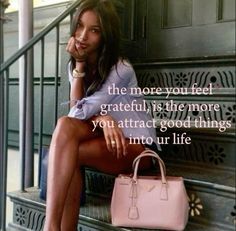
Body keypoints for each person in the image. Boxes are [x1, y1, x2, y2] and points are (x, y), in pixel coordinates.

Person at [43, 0, 161, 230]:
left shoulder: (121, 69)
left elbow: (79, 113)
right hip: (106, 139)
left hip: (137, 148)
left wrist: (98, 117)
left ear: (106, 35)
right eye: (80, 26)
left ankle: (52, 227)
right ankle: (53, 226)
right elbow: (74, 116)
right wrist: (79, 67)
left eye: (94, 30)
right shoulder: (77, 67)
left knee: (68, 148)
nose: (83, 36)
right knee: (67, 140)